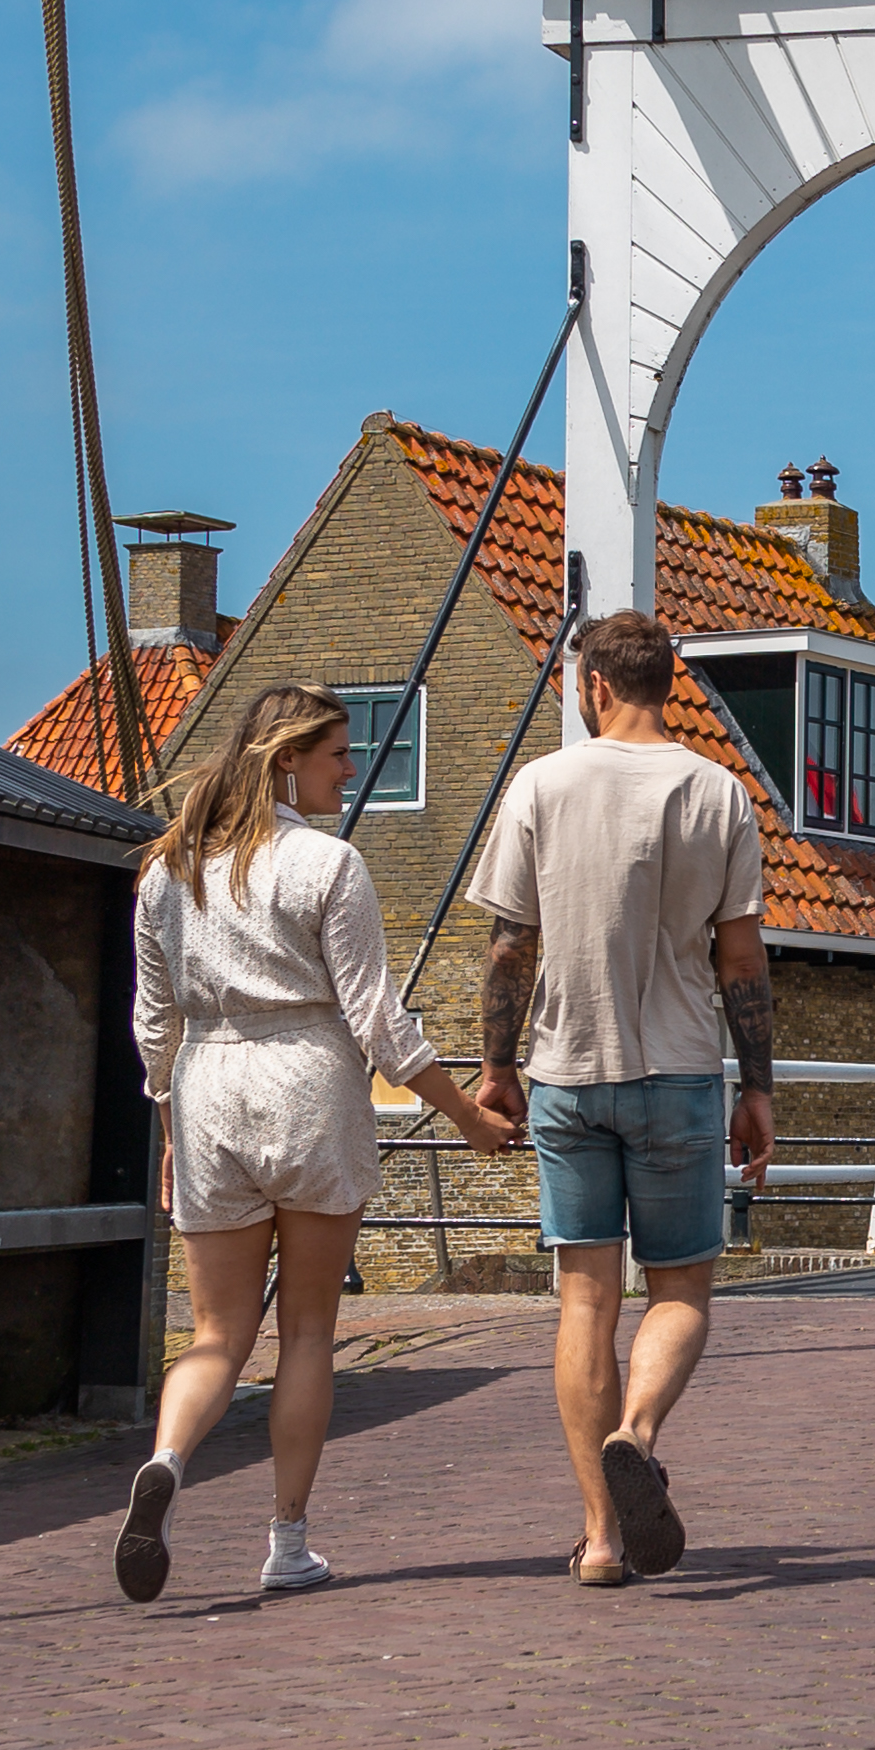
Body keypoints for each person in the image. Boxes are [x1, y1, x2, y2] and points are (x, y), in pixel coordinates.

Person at [111, 687, 514, 1605]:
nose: (350, 768)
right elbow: (377, 1019)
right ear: (289, 758)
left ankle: (168, 1459)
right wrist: (465, 1115)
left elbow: (153, 1024)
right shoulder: (328, 864)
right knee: (305, 1332)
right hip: (306, 1084)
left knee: (215, 1333)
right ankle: (286, 1542)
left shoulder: (167, 872)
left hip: (208, 1091)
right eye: (338, 752)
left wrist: (172, 1129)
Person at [464, 608, 775, 1585]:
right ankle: (636, 1431)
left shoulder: (539, 786)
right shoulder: (718, 792)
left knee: (583, 1301)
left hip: (567, 1070)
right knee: (679, 1288)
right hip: (677, 1069)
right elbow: (740, 958)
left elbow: (510, 945)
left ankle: (600, 1538)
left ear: (592, 683)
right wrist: (756, 1083)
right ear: (667, 680)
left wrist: (498, 1067)